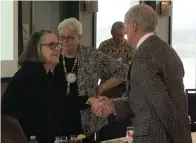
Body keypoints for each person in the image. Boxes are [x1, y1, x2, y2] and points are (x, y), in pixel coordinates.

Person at [90, 4, 192, 143]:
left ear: (133, 26)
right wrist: (113, 105)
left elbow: (163, 106)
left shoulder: (144, 56)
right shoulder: (167, 50)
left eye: (126, 27)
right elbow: (145, 100)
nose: (125, 32)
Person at [54, 18, 128, 137]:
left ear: (79, 36)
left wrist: (103, 87)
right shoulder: (53, 55)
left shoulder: (91, 55)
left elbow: (123, 70)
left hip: (85, 117)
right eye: (61, 37)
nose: (65, 41)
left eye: (70, 37)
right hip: (56, 116)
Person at [1, 30, 63, 143]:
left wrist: (90, 101)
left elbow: (60, 101)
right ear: (36, 49)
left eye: (58, 44)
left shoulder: (46, 74)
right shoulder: (30, 75)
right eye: (51, 45)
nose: (57, 49)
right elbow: (8, 118)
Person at [98, 21, 134, 98]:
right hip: (106, 84)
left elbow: (130, 67)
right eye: (116, 35)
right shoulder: (104, 46)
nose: (119, 38)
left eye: (121, 35)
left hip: (123, 86)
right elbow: (98, 65)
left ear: (125, 33)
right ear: (111, 33)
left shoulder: (129, 47)